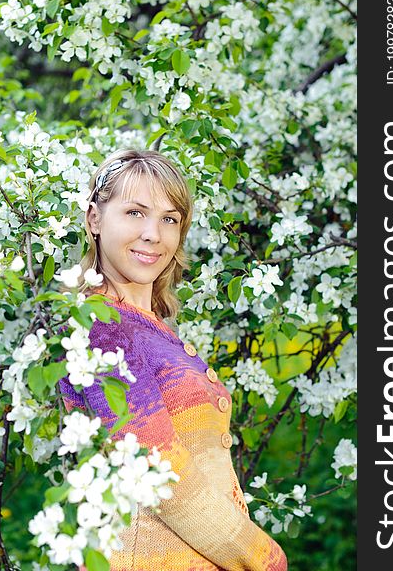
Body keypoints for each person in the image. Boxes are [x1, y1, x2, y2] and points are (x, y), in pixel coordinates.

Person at [58, 150, 288, 571]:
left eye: (169, 218)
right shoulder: (102, 328)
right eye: (135, 212)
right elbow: (156, 466)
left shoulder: (145, 326)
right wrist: (264, 557)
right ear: (94, 219)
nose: (153, 234)